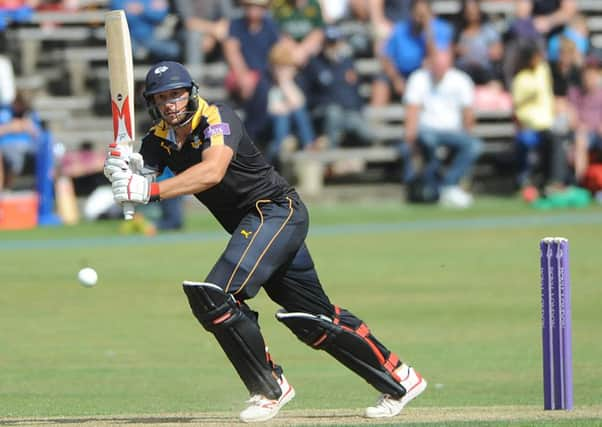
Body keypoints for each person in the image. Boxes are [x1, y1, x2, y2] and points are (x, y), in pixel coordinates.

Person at [103, 61, 427, 423]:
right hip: (254, 226)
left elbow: (211, 172)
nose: (170, 104)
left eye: (176, 94)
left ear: (190, 92)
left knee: (216, 295)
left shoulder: (218, 118)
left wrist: (149, 190)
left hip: (276, 212)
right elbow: (135, 178)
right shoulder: (157, 140)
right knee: (314, 318)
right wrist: (119, 169)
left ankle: (270, 388)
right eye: (161, 98)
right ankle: (400, 378)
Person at [403, 48, 483, 208]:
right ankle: (436, 189)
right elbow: (412, 110)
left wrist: (467, 133)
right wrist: (410, 136)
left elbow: (468, 112)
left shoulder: (461, 80)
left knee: (474, 145)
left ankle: (448, 186)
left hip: (453, 132)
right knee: (428, 142)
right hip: (427, 130)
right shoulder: (419, 78)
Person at [371, 0, 454, 106]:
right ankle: (376, 119)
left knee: (424, 79)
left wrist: (428, 30)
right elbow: (385, 56)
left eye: (423, 15)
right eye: (417, 14)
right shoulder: (400, 29)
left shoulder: (442, 29)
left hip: (426, 74)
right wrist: (396, 79)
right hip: (400, 74)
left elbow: (437, 59)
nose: (419, 19)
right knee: (381, 81)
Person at [511, 41, 567, 195]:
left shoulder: (543, 70)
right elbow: (517, 105)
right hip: (530, 125)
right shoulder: (521, 78)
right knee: (534, 141)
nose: (539, 59)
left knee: (558, 139)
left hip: (548, 123)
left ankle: (555, 181)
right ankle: (532, 182)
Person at [222, 0, 279, 143]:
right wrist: (243, 75)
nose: (253, 10)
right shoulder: (236, 25)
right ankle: (251, 134)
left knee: (263, 88)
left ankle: (255, 134)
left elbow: (278, 50)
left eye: (258, 7)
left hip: (264, 76)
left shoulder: (270, 26)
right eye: (250, 6)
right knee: (259, 88)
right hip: (242, 75)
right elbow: (231, 51)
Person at [265, 40, 317, 163]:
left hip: (294, 128)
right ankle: (282, 146)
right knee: (282, 117)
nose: (282, 71)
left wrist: (285, 84)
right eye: (279, 67)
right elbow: (272, 110)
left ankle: (308, 143)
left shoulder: (297, 83)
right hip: (271, 131)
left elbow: (299, 104)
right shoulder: (267, 86)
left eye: (286, 67)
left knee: (298, 112)